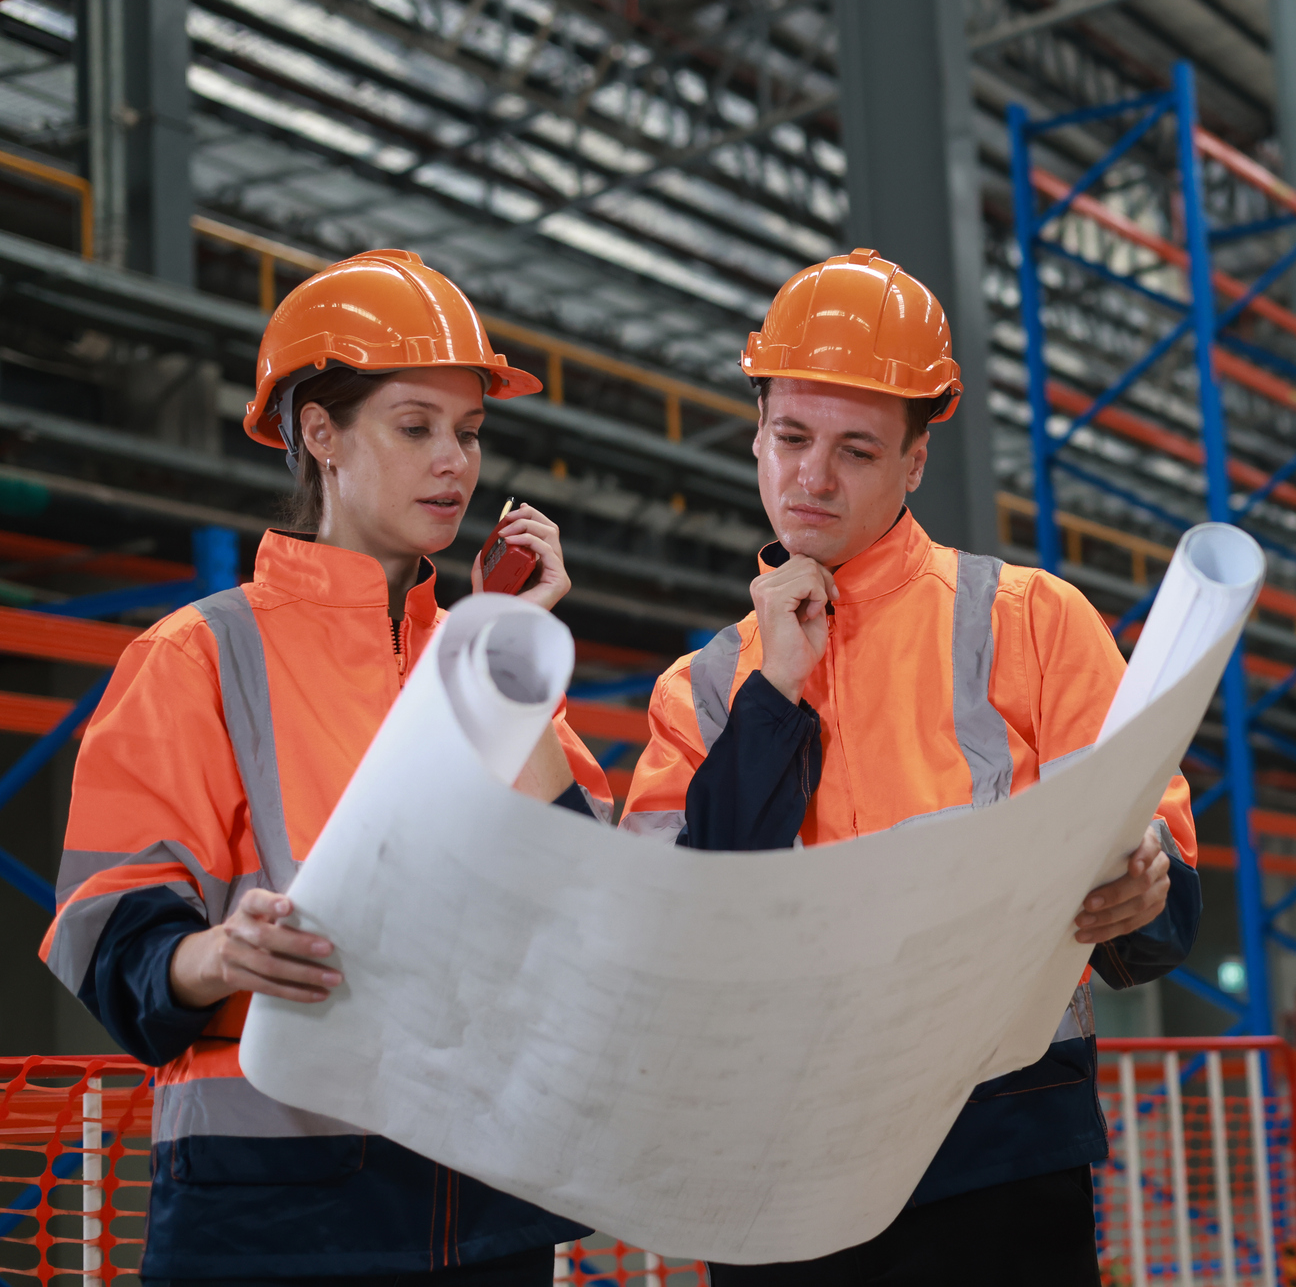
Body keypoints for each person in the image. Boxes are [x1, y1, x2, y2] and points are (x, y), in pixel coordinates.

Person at [621, 248, 1202, 1285]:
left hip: (995, 1160)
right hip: (776, 1168)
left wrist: (1145, 882)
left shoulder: (1033, 623)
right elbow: (680, 928)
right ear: (756, 435)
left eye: (856, 449)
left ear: (915, 461)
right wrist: (773, 693)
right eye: (790, 438)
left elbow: (1155, 893)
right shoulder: (700, 690)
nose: (812, 477)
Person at [41, 250, 611, 1283]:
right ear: (319, 433)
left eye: (469, 431)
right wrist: (220, 955)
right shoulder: (198, 656)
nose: (455, 462)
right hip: (274, 1212)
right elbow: (106, 934)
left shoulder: (483, 661)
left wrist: (509, 652)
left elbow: (587, 895)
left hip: (486, 1204)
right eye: (415, 426)